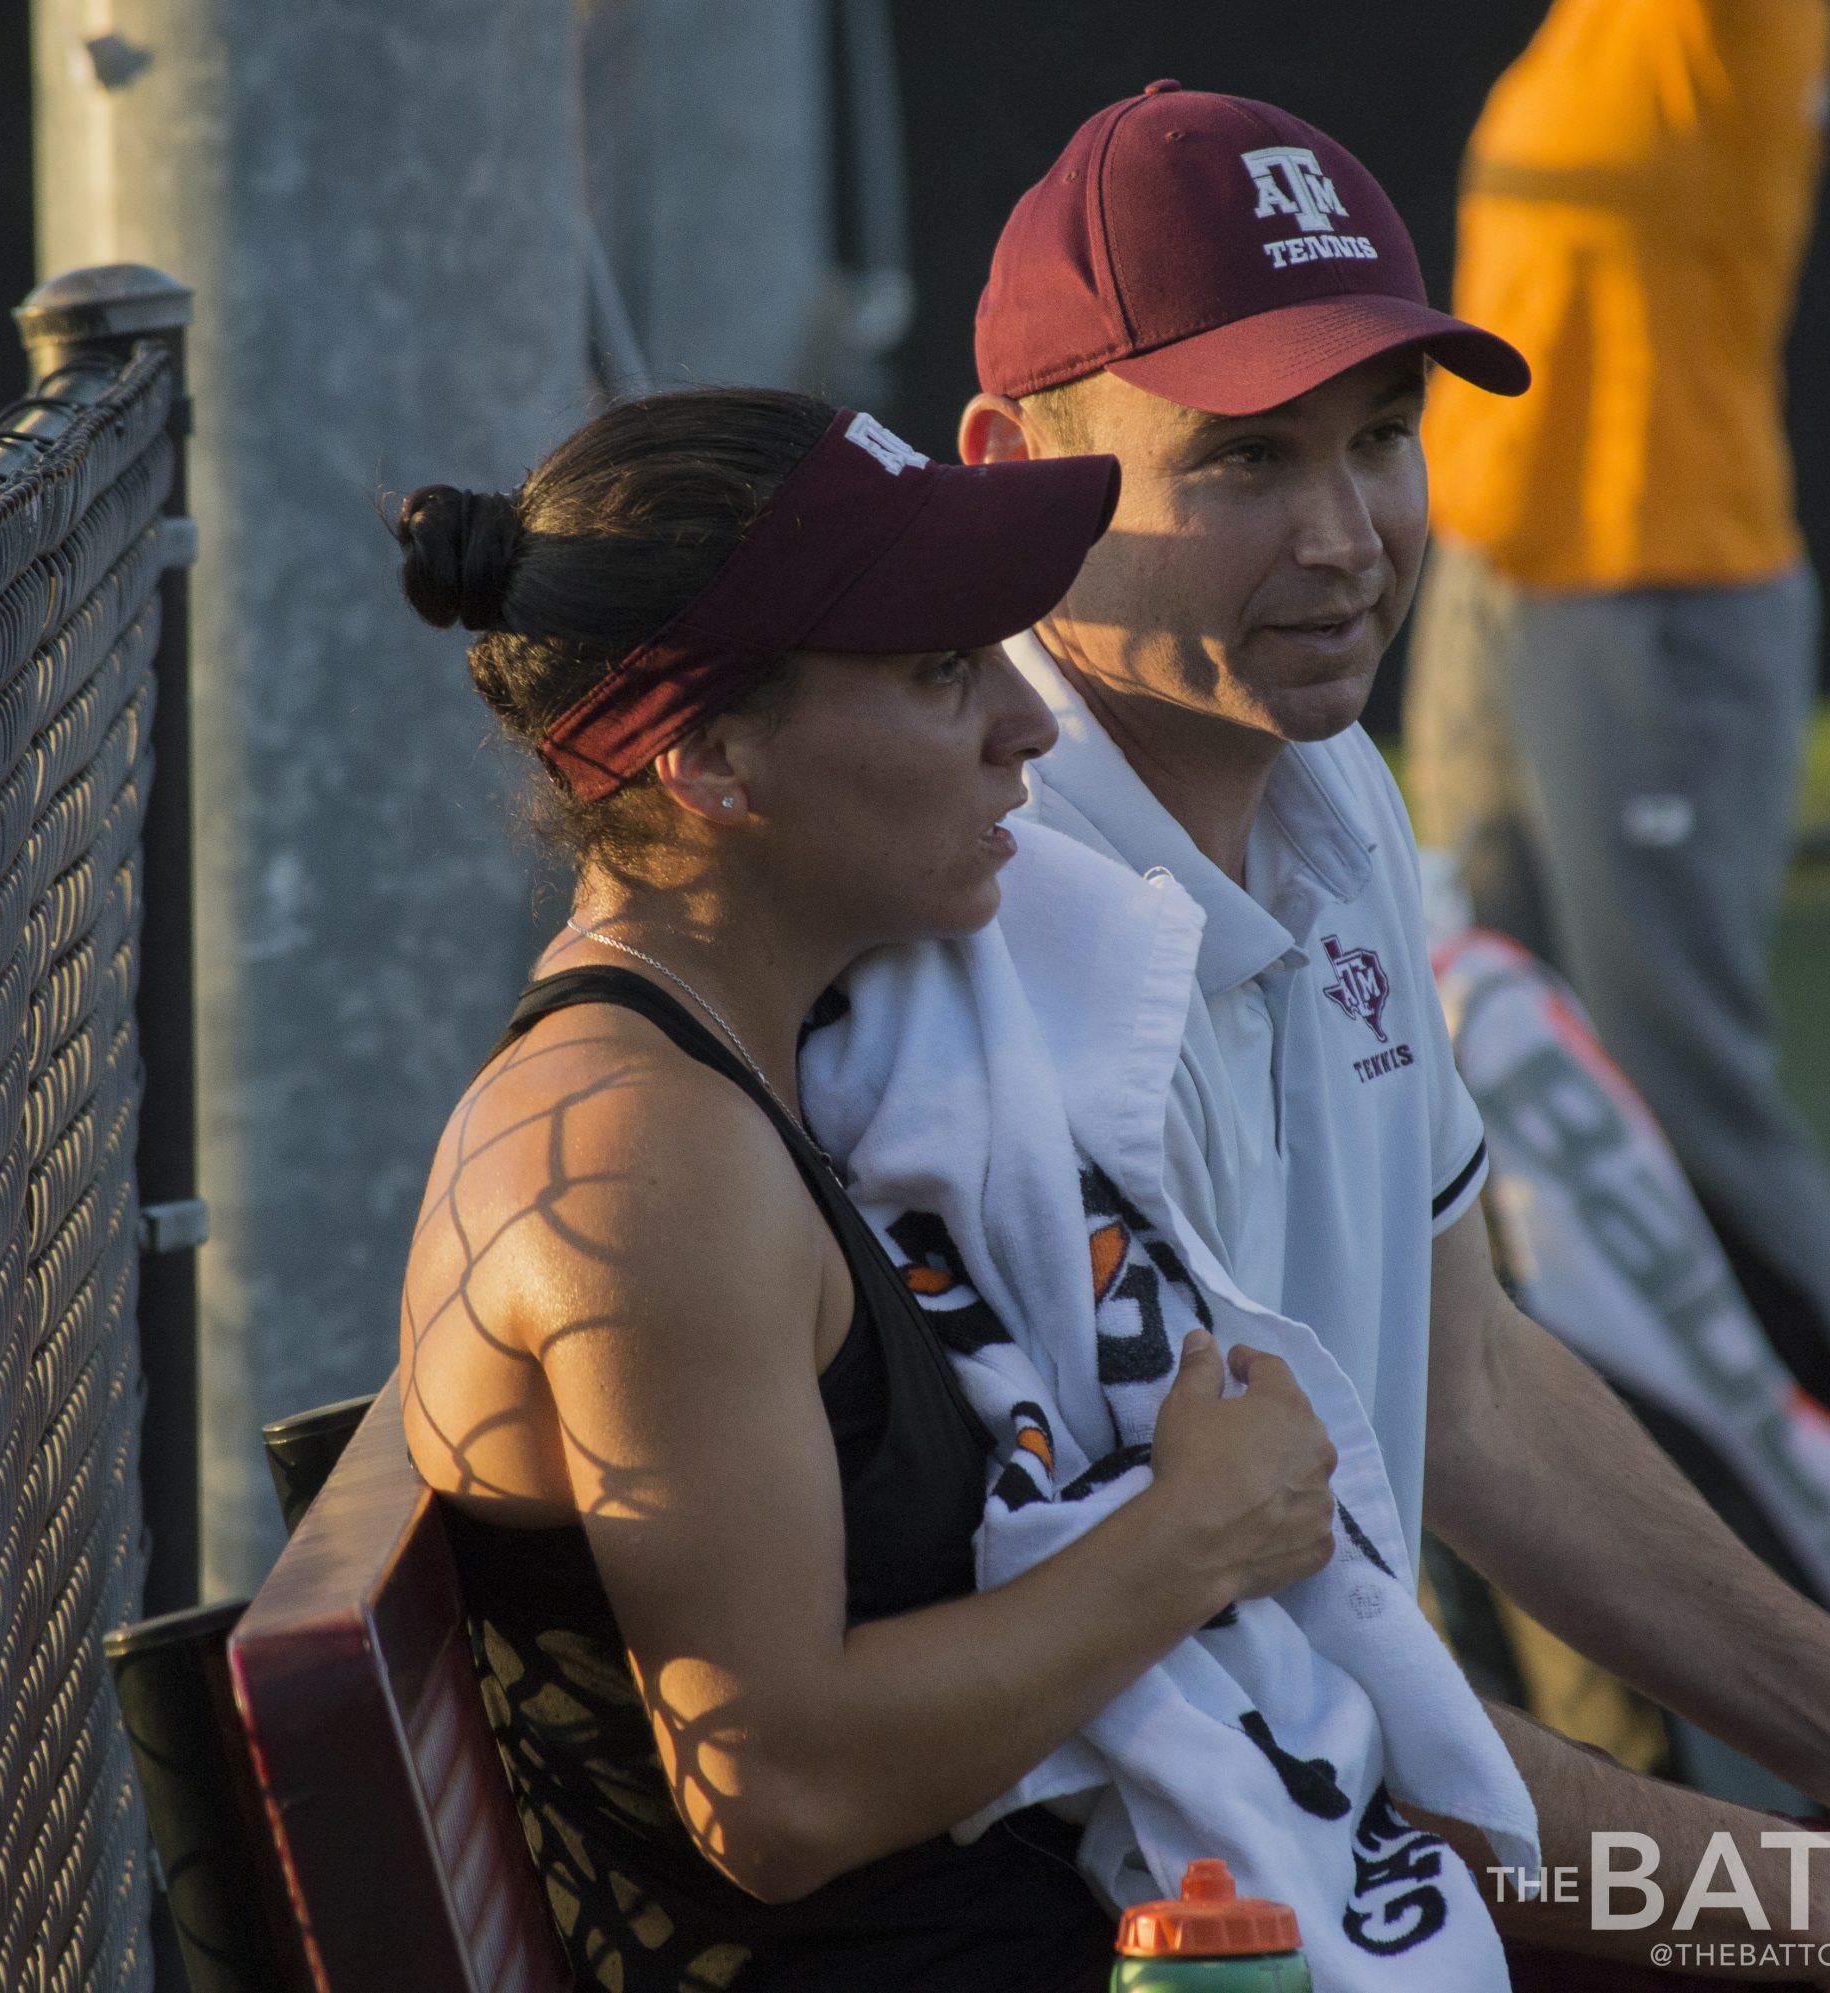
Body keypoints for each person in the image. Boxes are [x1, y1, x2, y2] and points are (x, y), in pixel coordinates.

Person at [964, 81, 1830, 1990]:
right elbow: (1296, 1736)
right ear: (1007, 470)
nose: (1347, 535)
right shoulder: (1005, 948)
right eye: (1243, 462)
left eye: (1381, 440)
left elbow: (1479, 1391)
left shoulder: (1330, 782)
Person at [393, 388, 1348, 1991]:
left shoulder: (746, 1072)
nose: (1027, 723)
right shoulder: (640, 1155)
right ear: (706, 757)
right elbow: (778, 1784)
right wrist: (1203, 1531)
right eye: (937, 672)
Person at [1400, 1, 1830, 1557]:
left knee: (1674, 1088)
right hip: (1498, 582)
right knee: (1466, 1058)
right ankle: (1570, 1532)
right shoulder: (1586, 34)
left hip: (1659, 598)